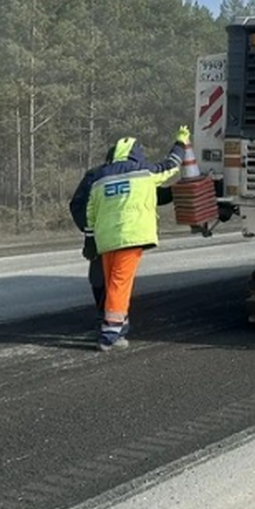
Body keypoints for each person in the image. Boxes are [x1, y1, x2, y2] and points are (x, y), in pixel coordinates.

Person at [85, 127, 189, 351]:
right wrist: (180, 143)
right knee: (120, 283)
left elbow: (90, 211)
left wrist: (90, 238)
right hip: (130, 237)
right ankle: (110, 332)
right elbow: (170, 166)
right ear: (136, 153)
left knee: (113, 280)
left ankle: (120, 328)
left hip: (105, 239)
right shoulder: (144, 171)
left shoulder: (99, 177)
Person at [69, 150, 176, 318]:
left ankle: (108, 317)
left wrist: (90, 234)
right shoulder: (125, 175)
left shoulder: (98, 176)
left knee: (104, 280)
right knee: (114, 281)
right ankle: (112, 322)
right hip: (115, 237)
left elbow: (78, 205)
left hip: (103, 237)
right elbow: (80, 206)